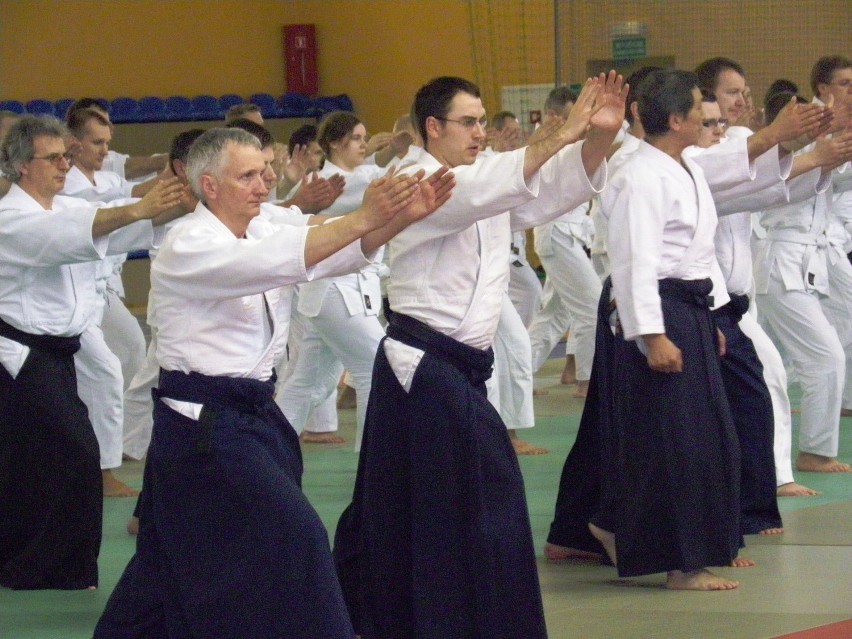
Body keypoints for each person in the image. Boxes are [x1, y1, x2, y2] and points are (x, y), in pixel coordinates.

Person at [94, 127, 454, 637]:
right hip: (204, 426)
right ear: (210, 185)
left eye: (264, 173)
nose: (263, 184)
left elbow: (327, 253)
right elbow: (276, 261)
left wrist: (396, 221)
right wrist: (365, 216)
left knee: (172, 555)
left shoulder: (261, 228)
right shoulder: (186, 242)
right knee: (298, 536)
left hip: (254, 413)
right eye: (247, 176)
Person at [334, 72, 625, 637]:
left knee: (417, 507)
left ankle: (426, 618)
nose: (480, 132)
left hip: (457, 368)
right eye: (468, 122)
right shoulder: (418, 179)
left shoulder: (482, 182)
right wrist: (563, 132)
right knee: (486, 493)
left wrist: (595, 140)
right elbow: (490, 187)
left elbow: (546, 192)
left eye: (483, 122)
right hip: (421, 363)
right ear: (432, 127)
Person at [0, 115, 185, 590]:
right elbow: (79, 234)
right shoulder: (11, 219)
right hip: (18, 356)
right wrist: (139, 208)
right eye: (54, 157)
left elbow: (109, 229)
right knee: (71, 455)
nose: (66, 164)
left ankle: (46, 565)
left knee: (34, 460)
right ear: (22, 165)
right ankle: (42, 566)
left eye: (67, 155)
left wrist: (180, 203)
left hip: (58, 353)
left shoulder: (60, 208)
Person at [595, 68, 743, 591]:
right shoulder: (639, 175)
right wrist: (650, 335)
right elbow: (633, 262)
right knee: (676, 442)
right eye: (700, 105)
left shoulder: (685, 167)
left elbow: (699, 252)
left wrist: (715, 318)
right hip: (658, 309)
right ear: (676, 119)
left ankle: (627, 529)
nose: (708, 114)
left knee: (698, 438)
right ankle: (682, 564)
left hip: (690, 309)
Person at [528, 87, 602, 399]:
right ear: (556, 116)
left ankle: (522, 374)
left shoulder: (565, 140)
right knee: (592, 306)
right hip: (559, 235)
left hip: (565, 235)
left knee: (555, 314)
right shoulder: (544, 144)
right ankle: (587, 381)